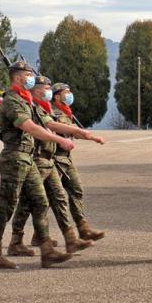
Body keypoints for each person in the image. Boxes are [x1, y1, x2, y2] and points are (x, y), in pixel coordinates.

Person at [0, 61, 75, 270]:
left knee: (40, 201)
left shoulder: (27, 101)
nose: (31, 78)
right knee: (5, 207)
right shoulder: (12, 100)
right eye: (29, 75)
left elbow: (48, 122)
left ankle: (47, 252)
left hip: (27, 158)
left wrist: (82, 134)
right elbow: (29, 126)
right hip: (14, 158)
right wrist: (60, 140)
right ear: (18, 77)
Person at [7, 76, 93, 256]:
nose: (48, 90)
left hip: (50, 160)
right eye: (45, 87)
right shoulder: (31, 108)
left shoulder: (43, 109)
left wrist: (80, 133)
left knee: (58, 197)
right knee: (29, 202)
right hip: (37, 159)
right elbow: (40, 129)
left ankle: (70, 240)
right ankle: (17, 240)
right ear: (37, 90)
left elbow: (54, 125)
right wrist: (64, 137)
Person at [50, 82, 107, 242]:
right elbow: (71, 130)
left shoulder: (65, 112)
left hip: (65, 158)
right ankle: (29, 236)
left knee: (76, 190)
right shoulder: (53, 113)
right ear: (57, 96)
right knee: (46, 198)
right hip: (54, 159)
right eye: (66, 92)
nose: (69, 94)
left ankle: (83, 229)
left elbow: (74, 131)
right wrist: (93, 137)